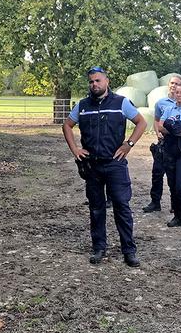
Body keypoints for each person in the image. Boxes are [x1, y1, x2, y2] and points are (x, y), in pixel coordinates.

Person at [63, 67, 147, 267]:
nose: (95, 85)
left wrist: (129, 144)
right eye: (91, 82)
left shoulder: (121, 103)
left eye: (98, 81)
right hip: (92, 165)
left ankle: (129, 250)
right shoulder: (83, 106)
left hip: (114, 164)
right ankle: (99, 247)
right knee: (96, 209)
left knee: (122, 207)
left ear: (106, 81)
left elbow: (141, 123)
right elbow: (67, 125)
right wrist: (75, 149)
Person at [143, 74, 181, 213]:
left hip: (177, 145)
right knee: (157, 173)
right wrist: (157, 132)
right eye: (172, 83)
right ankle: (155, 202)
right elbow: (156, 120)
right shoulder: (161, 103)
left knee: (173, 176)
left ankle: (175, 204)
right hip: (163, 144)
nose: (173, 85)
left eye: (177, 83)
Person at [159, 82, 181, 232]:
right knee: (172, 184)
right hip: (169, 149)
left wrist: (173, 127)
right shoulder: (168, 108)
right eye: (177, 92)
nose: (178, 95)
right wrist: (173, 128)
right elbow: (160, 126)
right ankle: (177, 216)